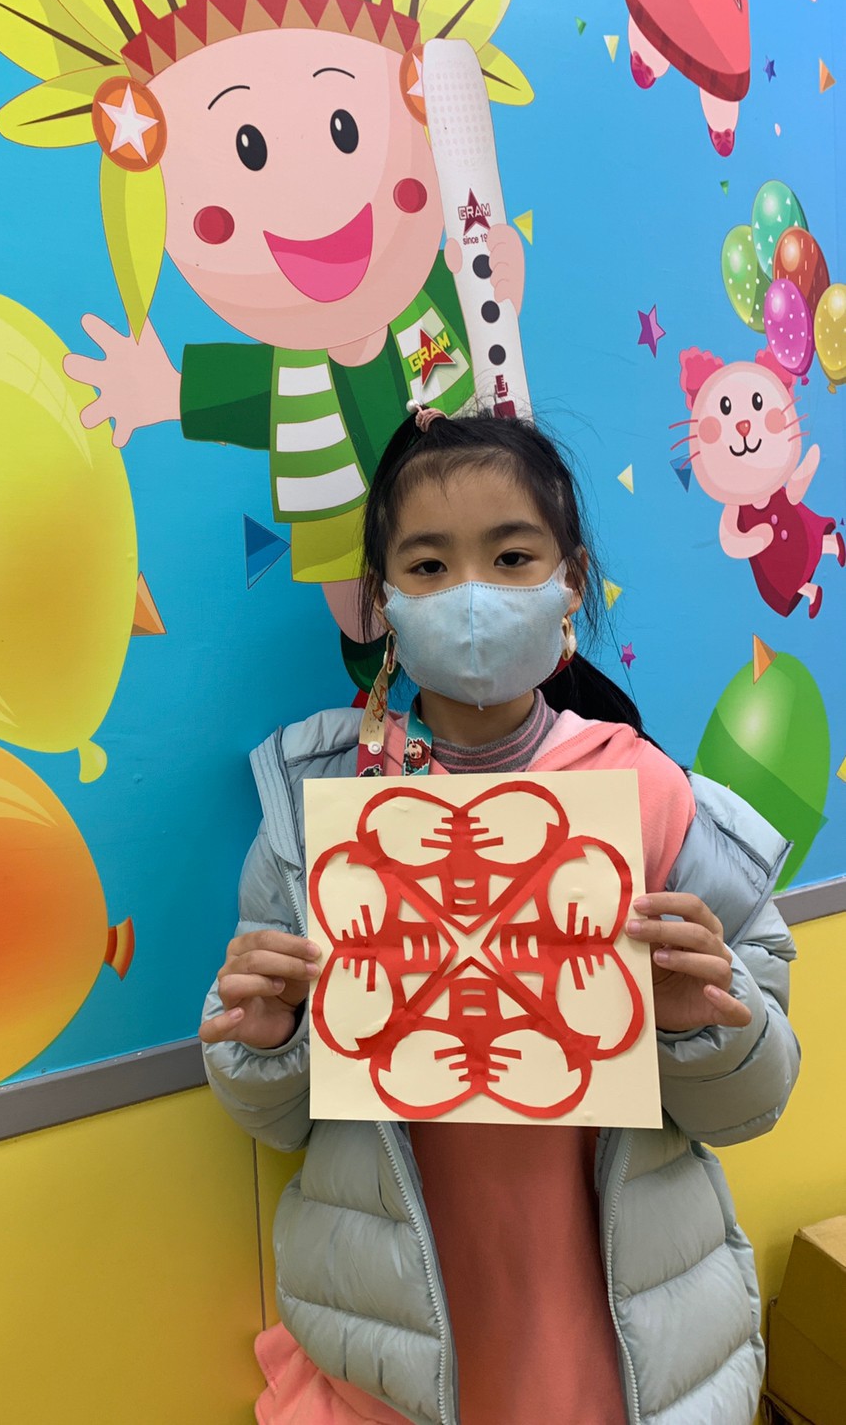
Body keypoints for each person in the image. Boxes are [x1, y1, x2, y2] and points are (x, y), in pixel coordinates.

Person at [199, 403, 800, 1425]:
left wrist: (704, 1017)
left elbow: (752, 1100)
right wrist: (267, 1041)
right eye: (429, 566)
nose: (471, 594)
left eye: (512, 556)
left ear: (570, 580)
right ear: (384, 599)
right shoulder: (314, 810)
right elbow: (278, 1120)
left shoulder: (651, 795)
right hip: (395, 1330)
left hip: (614, 1327)